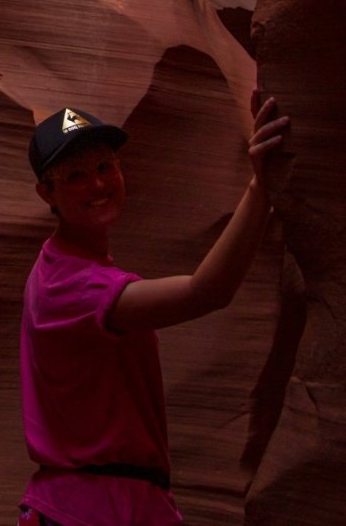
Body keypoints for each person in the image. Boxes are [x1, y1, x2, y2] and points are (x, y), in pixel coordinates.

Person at [17, 93, 289, 526]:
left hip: (95, 502)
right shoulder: (74, 286)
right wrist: (260, 189)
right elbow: (207, 292)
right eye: (76, 176)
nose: (99, 184)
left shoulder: (56, 266)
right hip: (96, 508)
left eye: (106, 166)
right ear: (45, 191)